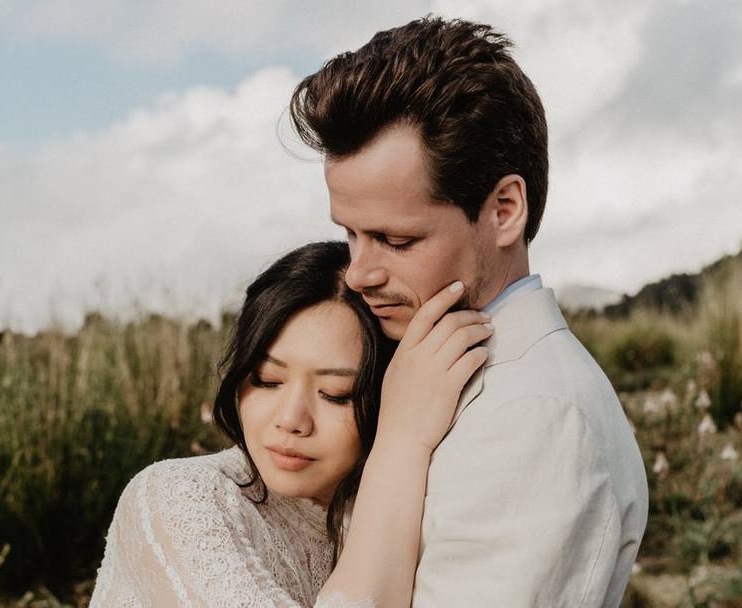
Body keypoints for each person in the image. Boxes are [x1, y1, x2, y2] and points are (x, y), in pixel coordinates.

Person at [289, 16, 650, 606]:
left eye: (397, 241)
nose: (358, 274)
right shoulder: (418, 366)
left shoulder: (535, 418)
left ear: (505, 209)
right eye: (350, 234)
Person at [88, 240, 493, 607]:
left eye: (337, 393)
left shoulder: (416, 501)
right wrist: (402, 441)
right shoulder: (181, 498)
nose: (291, 420)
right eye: (267, 380)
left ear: (398, 395)